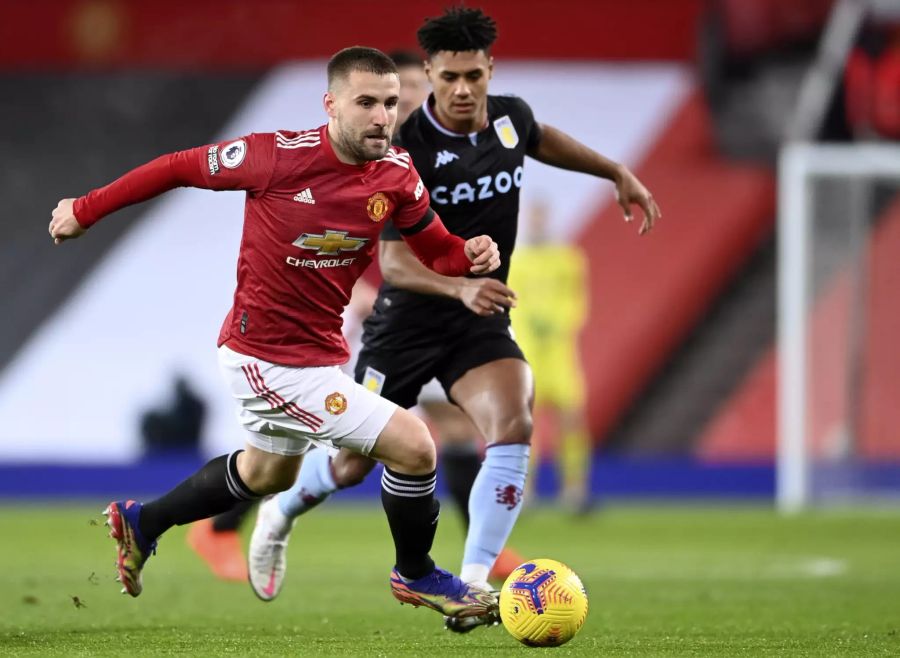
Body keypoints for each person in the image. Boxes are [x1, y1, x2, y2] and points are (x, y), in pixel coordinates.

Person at [48, 46, 502, 621]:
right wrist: (85, 209)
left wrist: (469, 253)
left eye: (390, 103)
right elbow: (175, 166)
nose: (382, 116)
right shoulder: (273, 157)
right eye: (366, 103)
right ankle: (417, 574)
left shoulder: (397, 174)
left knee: (270, 473)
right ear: (331, 105)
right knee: (414, 444)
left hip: (313, 358)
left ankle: (144, 522)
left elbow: (436, 248)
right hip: (265, 358)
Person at [249, 7, 661, 632]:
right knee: (355, 462)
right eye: (450, 78)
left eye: (474, 75)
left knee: (514, 421)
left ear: (489, 70)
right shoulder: (405, 147)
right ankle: (281, 511)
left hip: (478, 321)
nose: (463, 90)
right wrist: (456, 288)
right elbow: (391, 261)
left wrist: (616, 172)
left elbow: (543, 138)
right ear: (432, 76)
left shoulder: (511, 118)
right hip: (406, 322)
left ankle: (473, 584)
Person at [508, 199, 591, 512]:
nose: (538, 221)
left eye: (542, 215)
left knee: (571, 418)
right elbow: (512, 303)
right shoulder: (517, 261)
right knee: (526, 424)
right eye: (534, 216)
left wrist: (557, 322)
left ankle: (575, 490)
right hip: (528, 354)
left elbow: (578, 302)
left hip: (560, 353)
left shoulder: (569, 259)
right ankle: (525, 491)